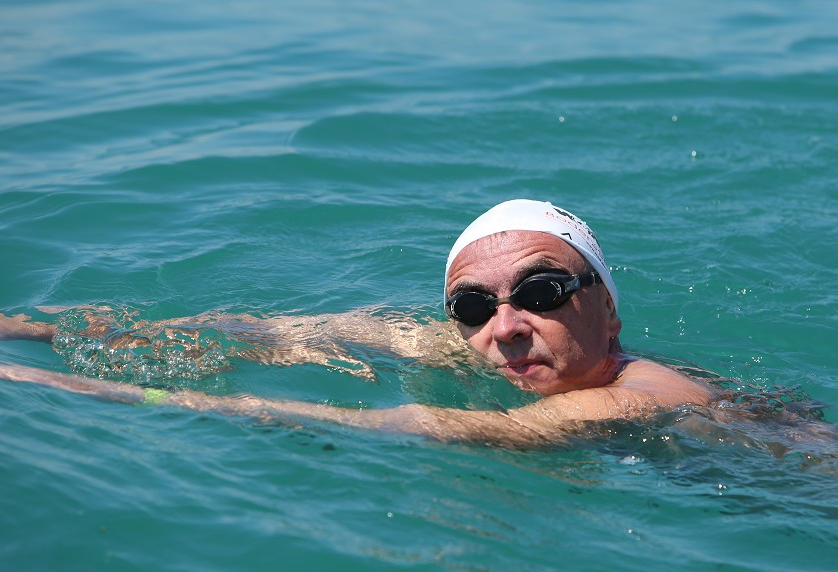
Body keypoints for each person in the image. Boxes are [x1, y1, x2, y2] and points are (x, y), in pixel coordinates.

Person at [0, 200, 719, 448]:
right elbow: (261, 331)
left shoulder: (642, 394)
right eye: (474, 307)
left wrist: (82, 390)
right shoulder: (500, 348)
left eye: (542, 291)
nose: (504, 328)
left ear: (608, 306)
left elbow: (402, 427)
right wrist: (33, 330)